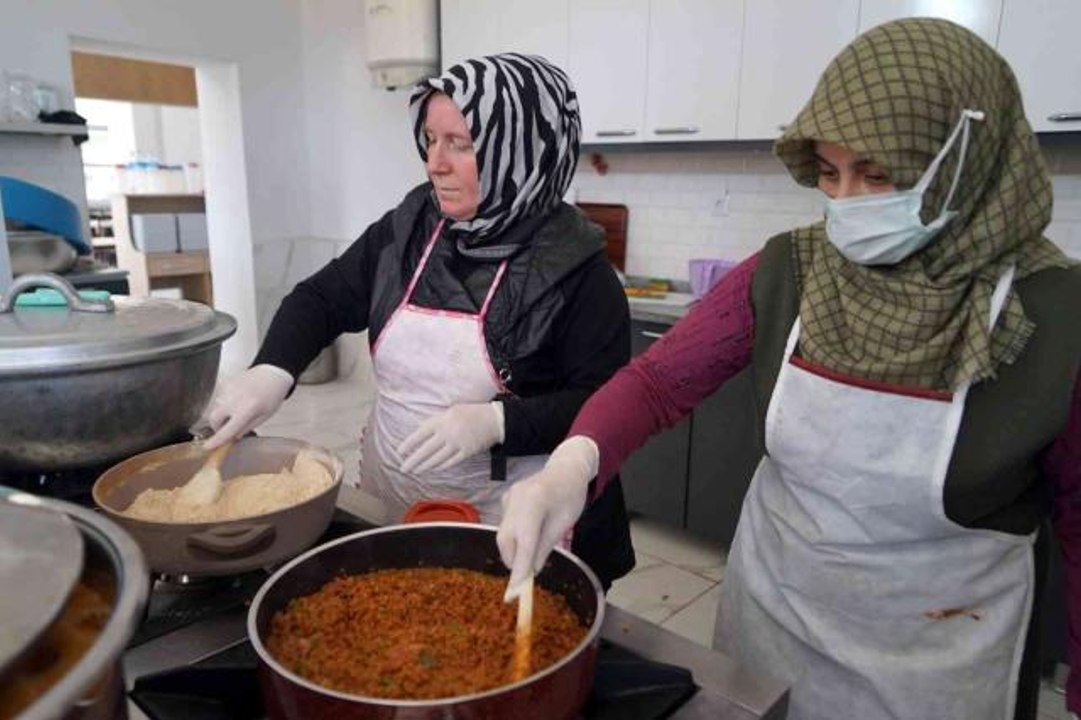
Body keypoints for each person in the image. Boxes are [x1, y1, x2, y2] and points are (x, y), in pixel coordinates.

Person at [496, 18, 1081, 720]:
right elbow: (655, 384)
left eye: (878, 173)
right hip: (777, 615)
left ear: (964, 158)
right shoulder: (792, 269)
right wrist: (574, 462)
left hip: (941, 653)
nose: (846, 201)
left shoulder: (1054, 315)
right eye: (829, 174)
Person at [202, 53, 635, 589]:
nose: (435, 162)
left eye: (461, 143)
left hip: (516, 519)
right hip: (395, 501)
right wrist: (273, 369)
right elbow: (322, 297)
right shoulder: (410, 229)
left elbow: (606, 405)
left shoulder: (581, 273)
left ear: (520, 151)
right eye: (431, 139)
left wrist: (496, 423)